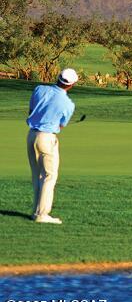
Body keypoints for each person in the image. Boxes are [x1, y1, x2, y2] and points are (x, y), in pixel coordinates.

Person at [26, 68, 78, 224]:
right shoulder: (68, 104)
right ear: (72, 84)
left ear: (58, 78)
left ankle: (36, 212)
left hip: (31, 135)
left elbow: (30, 110)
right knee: (49, 176)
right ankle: (42, 215)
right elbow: (61, 126)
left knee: (37, 175)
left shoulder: (39, 89)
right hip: (46, 138)